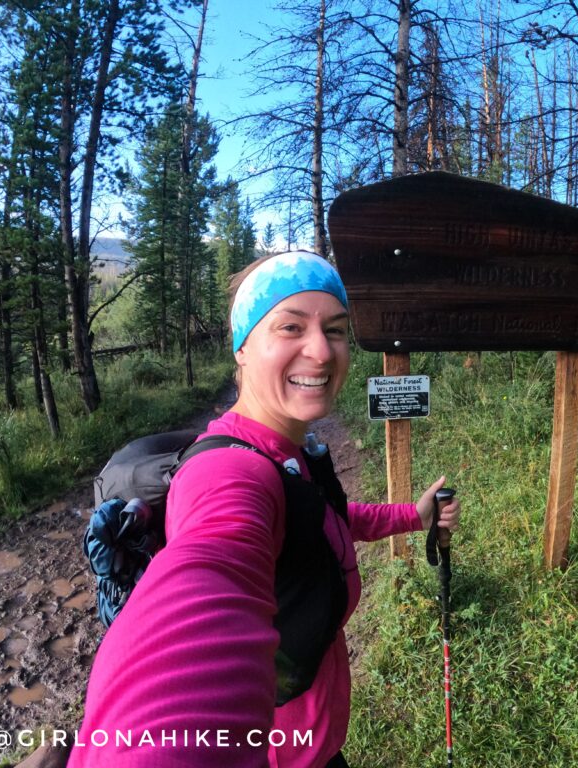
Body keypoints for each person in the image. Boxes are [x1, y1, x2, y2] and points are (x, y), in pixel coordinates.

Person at [67, 251, 461, 767]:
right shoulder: (229, 475)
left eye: (336, 329)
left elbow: (327, 524)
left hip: (315, 745)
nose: (321, 351)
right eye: (290, 327)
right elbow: (194, 625)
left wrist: (414, 514)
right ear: (243, 347)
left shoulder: (289, 453)